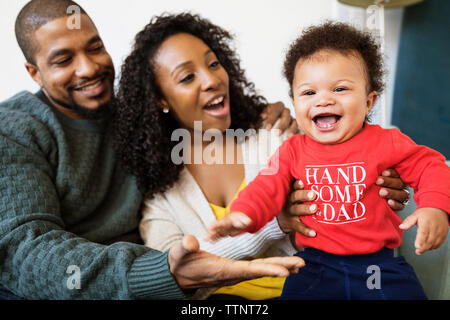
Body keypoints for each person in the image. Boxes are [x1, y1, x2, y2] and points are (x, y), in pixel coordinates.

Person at [0, 0, 309, 300]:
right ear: (34, 72)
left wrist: (286, 112)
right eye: (63, 60)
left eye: (95, 47)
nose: (88, 68)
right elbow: (25, 252)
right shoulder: (14, 128)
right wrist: (158, 273)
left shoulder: (138, 124)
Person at [113, 13, 412, 300]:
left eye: (214, 64)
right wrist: (276, 223)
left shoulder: (275, 135)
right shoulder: (162, 196)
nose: (211, 80)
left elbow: (359, 165)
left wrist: (390, 180)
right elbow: (173, 276)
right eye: (187, 77)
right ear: (160, 99)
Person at [206, 22, 450, 300]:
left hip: (377, 266)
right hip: (315, 266)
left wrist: (435, 208)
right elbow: (266, 186)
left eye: (340, 89)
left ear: (369, 102)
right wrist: (243, 214)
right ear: (295, 102)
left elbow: (430, 165)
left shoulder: (386, 141)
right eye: (309, 93)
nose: (323, 100)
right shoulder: (292, 150)